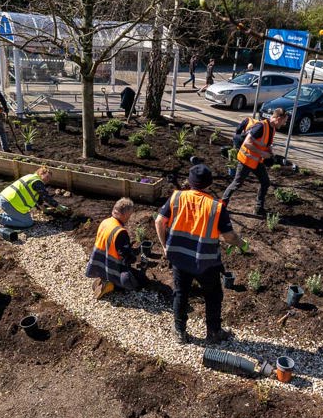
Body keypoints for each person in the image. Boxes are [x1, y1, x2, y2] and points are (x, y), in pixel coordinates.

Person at [155, 165, 247, 344]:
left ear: (189, 182)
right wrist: (241, 244)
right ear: (209, 184)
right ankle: (213, 332)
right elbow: (229, 236)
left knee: (181, 293)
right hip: (205, 262)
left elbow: (159, 221)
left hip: (180, 259)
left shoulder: (177, 197)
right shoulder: (216, 207)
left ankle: (180, 332)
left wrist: (165, 246)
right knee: (213, 296)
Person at [221, 107, 288, 215]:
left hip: (257, 161)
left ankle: (258, 208)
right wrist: (262, 153)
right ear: (278, 119)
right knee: (237, 183)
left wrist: (270, 153)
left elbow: (265, 144)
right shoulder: (260, 126)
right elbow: (247, 143)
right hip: (246, 159)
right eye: (284, 121)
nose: (284, 124)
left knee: (265, 182)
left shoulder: (272, 129)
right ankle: (222, 205)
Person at [85, 197, 145, 299]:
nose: (129, 217)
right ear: (125, 214)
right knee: (138, 281)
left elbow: (111, 245)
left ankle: (103, 277)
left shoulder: (106, 222)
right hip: (111, 267)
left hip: (99, 264)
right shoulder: (120, 232)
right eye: (129, 215)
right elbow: (125, 257)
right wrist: (135, 258)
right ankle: (111, 283)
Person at [0, 166, 66, 231]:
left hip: (2, 197)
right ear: (41, 174)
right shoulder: (38, 182)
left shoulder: (30, 176)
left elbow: (38, 198)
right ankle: (2, 219)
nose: (48, 180)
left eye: (49, 179)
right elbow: (46, 197)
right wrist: (59, 206)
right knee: (28, 223)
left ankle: (0, 216)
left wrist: (44, 209)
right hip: (10, 203)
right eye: (47, 177)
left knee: (21, 216)